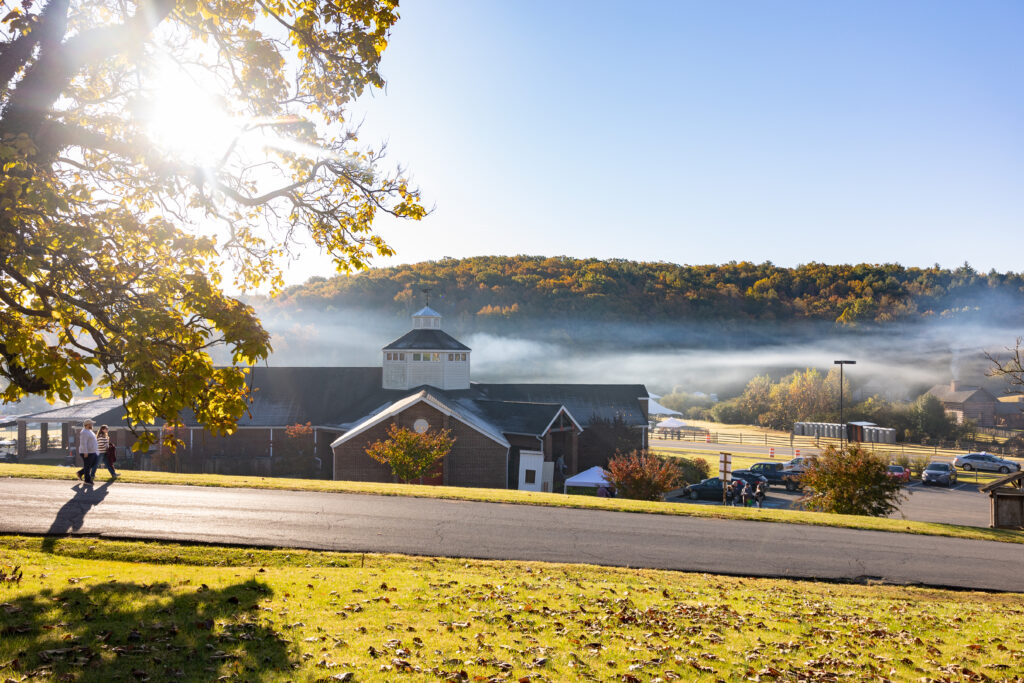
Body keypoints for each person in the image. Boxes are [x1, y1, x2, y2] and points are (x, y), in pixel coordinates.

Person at [76, 420, 99, 485]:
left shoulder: (90, 431)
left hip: (93, 452)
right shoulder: (84, 432)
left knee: (93, 464)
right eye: (91, 424)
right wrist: (85, 452)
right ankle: (87, 480)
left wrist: (97, 451)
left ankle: (80, 473)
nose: (92, 425)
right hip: (86, 452)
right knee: (88, 466)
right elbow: (83, 443)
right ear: (87, 424)